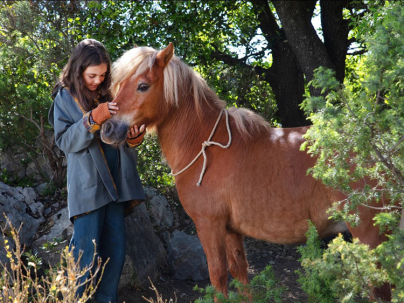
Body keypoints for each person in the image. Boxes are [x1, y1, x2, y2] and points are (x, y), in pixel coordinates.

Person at [48, 39, 145, 303]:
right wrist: (92, 119)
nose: (97, 80)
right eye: (92, 75)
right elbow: (65, 142)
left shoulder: (110, 93)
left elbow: (120, 136)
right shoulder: (65, 98)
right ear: (79, 69)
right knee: (84, 254)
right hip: (88, 187)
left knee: (115, 251)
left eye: (102, 75)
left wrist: (134, 136)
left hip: (116, 186)